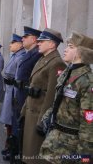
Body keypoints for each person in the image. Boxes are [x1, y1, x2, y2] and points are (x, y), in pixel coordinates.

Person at [39, 32, 93, 163]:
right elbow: (58, 101)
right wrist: (46, 117)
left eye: (70, 46)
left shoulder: (87, 81)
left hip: (71, 145)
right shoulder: (68, 72)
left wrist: (84, 157)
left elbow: (89, 124)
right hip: (55, 138)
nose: (65, 49)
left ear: (81, 52)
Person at [20, 28, 66, 164]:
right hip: (31, 112)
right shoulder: (43, 59)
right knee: (28, 153)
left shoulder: (57, 63)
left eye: (42, 41)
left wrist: (42, 121)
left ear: (52, 44)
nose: (38, 43)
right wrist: (24, 110)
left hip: (38, 115)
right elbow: (32, 87)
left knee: (35, 156)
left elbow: (51, 96)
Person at [10, 26, 42, 161]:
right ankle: (15, 152)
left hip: (26, 98)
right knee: (17, 128)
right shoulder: (30, 53)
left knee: (22, 129)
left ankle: (20, 155)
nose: (22, 38)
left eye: (25, 36)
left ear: (34, 39)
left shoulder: (37, 55)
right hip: (19, 97)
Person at [0, 34, 25, 160]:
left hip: (13, 92)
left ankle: (10, 146)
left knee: (11, 121)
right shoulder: (15, 56)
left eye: (13, 42)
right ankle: (8, 145)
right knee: (8, 121)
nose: (10, 45)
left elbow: (18, 77)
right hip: (9, 91)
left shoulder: (21, 57)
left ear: (20, 44)